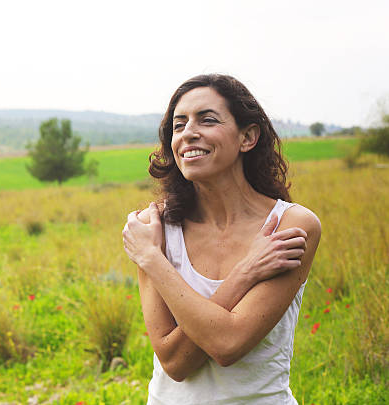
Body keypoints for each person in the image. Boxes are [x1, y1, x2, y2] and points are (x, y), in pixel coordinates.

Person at [122, 74, 321, 404]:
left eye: (207, 120)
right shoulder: (153, 228)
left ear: (247, 137)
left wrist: (152, 259)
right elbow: (174, 362)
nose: (188, 133)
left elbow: (227, 344)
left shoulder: (290, 225)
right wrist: (247, 271)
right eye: (179, 124)